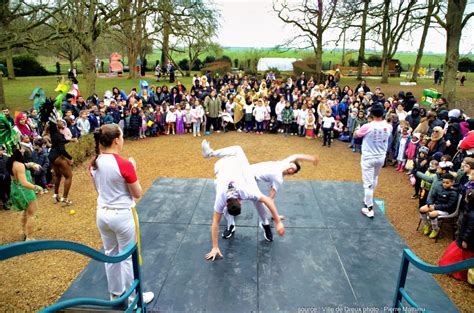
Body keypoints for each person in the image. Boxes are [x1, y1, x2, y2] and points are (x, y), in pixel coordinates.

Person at [90, 124, 154, 304]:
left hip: (102, 214)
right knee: (127, 256)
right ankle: (134, 298)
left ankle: (115, 294)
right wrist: (133, 169)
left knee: (110, 253)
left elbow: (100, 190)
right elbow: (137, 192)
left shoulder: (94, 163)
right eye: (122, 137)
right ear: (116, 140)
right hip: (122, 215)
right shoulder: (124, 164)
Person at [201, 140, 285, 260]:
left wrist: (215, 247)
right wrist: (278, 222)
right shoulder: (223, 195)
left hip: (241, 171)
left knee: (257, 199)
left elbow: (215, 222)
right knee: (238, 149)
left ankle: (265, 224)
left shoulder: (245, 190)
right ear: (240, 201)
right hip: (224, 166)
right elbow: (269, 200)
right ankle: (231, 225)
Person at [353, 104, 393, 218]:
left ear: (372, 114)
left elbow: (356, 135)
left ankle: (369, 208)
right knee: (375, 177)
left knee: (368, 184)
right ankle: (368, 199)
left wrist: (357, 130)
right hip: (381, 156)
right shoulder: (389, 126)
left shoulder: (367, 126)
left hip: (368, 157)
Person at [7, 147, 43, 240]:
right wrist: (37, 187)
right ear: (17, 152)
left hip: (16, 190)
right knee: (32, 214)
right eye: (21, 149)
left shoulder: (11, 162)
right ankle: (29, 237)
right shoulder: (19, 165)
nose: (23, 150)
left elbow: (24, 165)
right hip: (25, 192)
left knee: (25, 212)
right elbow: (24, 183)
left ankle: (23, 233)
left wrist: (32, 164)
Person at [438, 189, 474, 281]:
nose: (465, 198)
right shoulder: (469, 209)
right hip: (462, 237)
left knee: (461, 257)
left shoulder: (472, 215)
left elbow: (470, 230)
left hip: (466, 241)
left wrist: (465, 240)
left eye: (466, 197)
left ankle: (457, 272)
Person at [419, 173, 458, 239]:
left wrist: (435, 207)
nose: (444, 184)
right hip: (435, 206)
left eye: (447, 183)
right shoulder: (440, 188)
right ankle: (427, 225)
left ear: (452, 183)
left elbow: (449, 206)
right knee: (422, 209)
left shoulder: (453, 193)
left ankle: (436, 229)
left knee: (432, 214)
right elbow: (432, 197)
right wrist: (430, 204)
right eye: (443, 182)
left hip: (445, 210)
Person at [48, 121, 76, 206]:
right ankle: (65, 198)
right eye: (59, 122)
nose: (62, 122)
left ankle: (56, 195)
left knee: (58, 176)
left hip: (52, 157)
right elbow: (62, 150)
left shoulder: (54, 134)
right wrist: (70, 158)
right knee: (69, 176)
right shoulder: (58, 134)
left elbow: (61, 141)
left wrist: (70, 140)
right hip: (58, 157)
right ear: (56, 126)